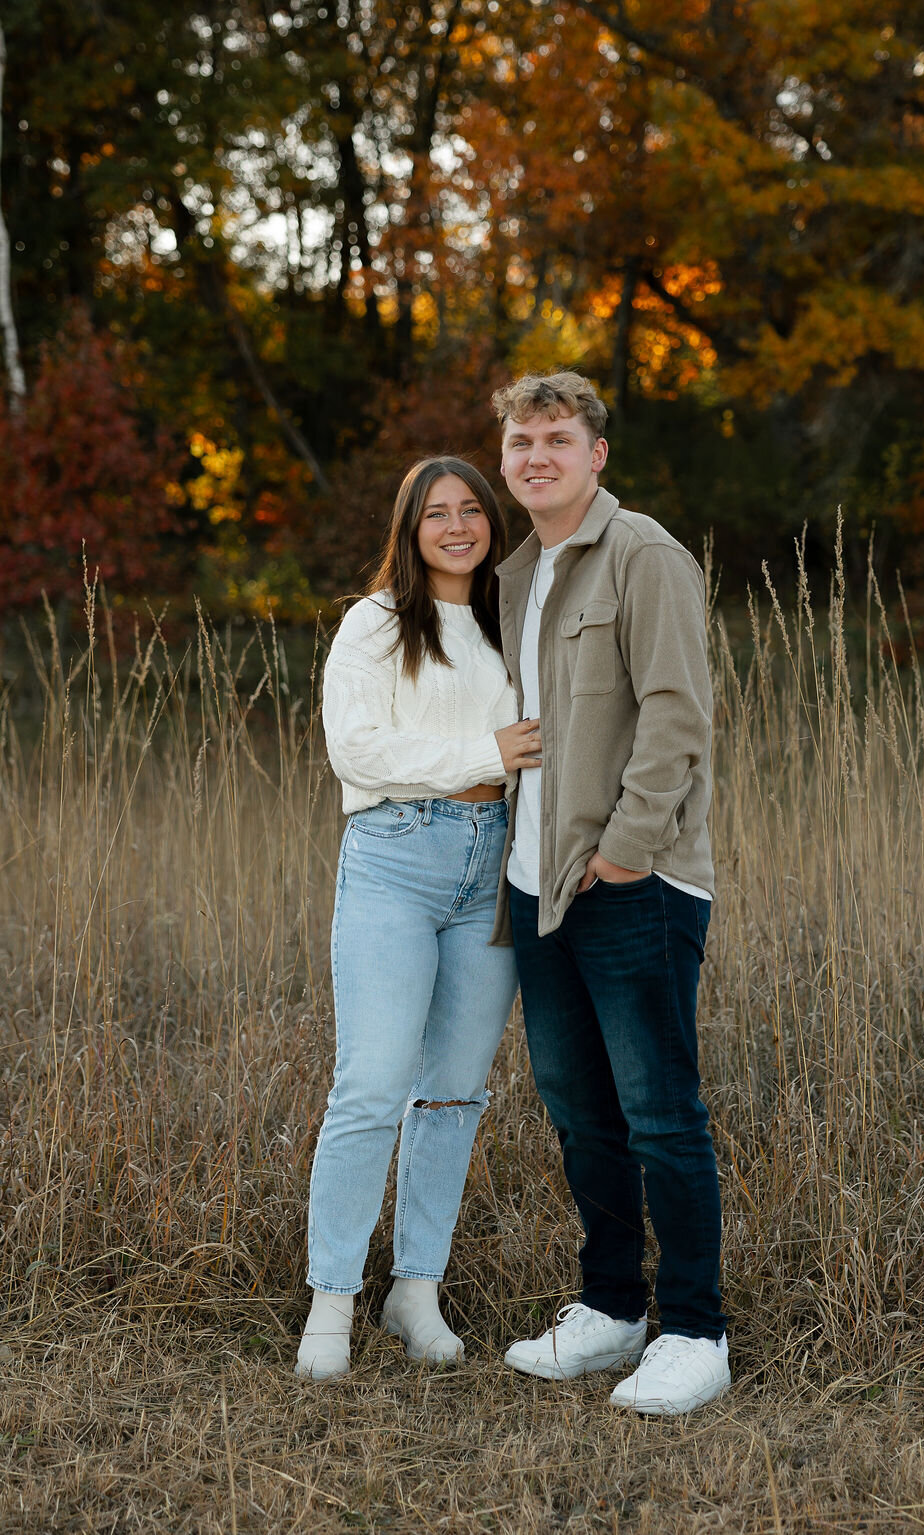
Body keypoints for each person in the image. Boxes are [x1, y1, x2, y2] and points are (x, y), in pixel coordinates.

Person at [490, 371, 730, 1416]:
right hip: (534, 885)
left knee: (657, 1113)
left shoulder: (643, 555)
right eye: (519, 441)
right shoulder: (517, 572)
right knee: (577, 1107)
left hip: (628, 881)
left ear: (596, 454)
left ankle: (695, 1330)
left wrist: (628, 849)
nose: (534, 455)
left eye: (555, 438)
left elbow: (679, 713)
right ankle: (609, 1307)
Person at [295, 456, 542, 1381]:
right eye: (434, 512)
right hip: (397, 856)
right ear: (409, 527)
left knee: (453, 1091)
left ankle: (415, 1291)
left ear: (490, 522)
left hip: (495, 863)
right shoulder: (377, 621)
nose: (455, 525)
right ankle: (332, 1299)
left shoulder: (513, 620)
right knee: (371, 1082)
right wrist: (486, 748)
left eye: (470, 508)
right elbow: (352, 745)